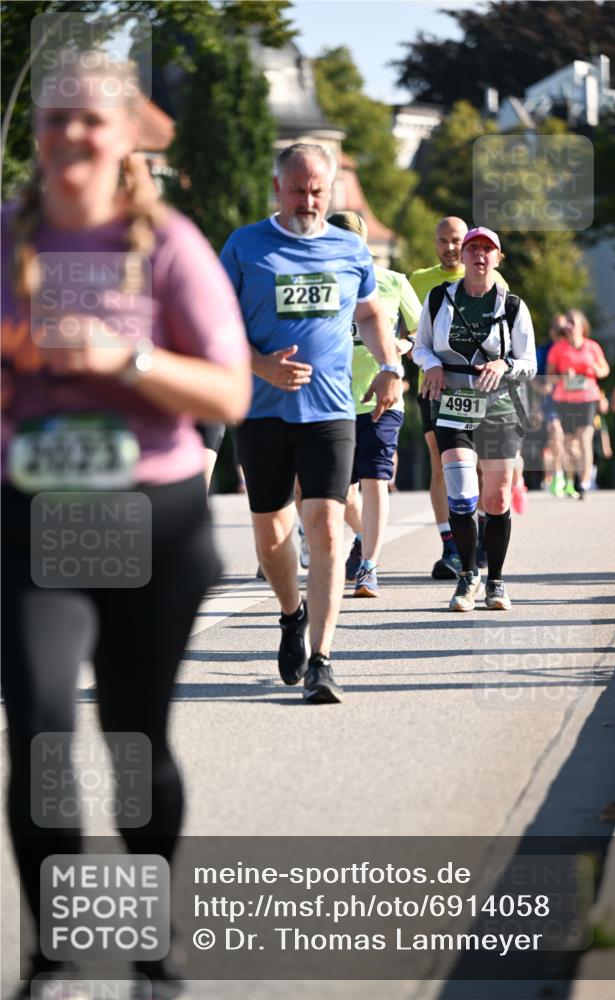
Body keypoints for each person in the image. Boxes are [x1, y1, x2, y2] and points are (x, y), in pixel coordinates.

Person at [1, 53, 251, 1000]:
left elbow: (226, 389)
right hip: (31, 521)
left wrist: (123, 354)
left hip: (153, 516)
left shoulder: (170, 245)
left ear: (123, 137)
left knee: (136, 740)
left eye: (88, 120)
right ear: (37, 133)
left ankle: (150, 949)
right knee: (42, 737)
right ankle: (58, 958)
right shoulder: (4, 241)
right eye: (53, 117)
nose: (69, 134)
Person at [220, 143, 402, 703]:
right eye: (297, 190)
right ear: (277, 189)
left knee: (325, 526)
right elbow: (215, 324)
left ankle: (323, 659)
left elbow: (369, 311)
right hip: (262, 411)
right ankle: (290, 613)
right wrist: (260, 366)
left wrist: (391, 365)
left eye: (318, 191)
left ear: (331, 190)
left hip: (330, 410)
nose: (308, 201)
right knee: (273, 536)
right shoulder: (245, 246)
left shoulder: (351, 248)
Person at [414, 227, 536, 612]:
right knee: (462, 494)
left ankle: (496, 581)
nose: (480, 255)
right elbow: (420, 346)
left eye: (488, 250)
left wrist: (505, 364)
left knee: (497, 497)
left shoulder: (513, 306)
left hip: (499, 409)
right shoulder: (438, 299)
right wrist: (432, 365)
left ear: (498, 259)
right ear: (463, 257)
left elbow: (530, 364)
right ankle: (468, 576)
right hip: (453, 405)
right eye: (473, 249)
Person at [327, 210, 420, 597]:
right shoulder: (322, 284)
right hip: (332, 400)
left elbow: (421, 333)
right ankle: (366, 535)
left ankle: (368, 566)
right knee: (342, 492)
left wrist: (402, 346)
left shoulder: (394, 282)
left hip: (383, 399)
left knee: (375, 481)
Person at [410, 217, 508, 578]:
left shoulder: (494, 282)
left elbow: (507, 337)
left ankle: (480, 532)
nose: (450, 248)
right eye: (443, 241)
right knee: (442, 463)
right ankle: (450, 543)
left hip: (482, 389)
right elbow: (409, 333)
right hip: (436, 388)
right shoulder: (419, 281)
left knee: (480, 465)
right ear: (435, 243)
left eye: (456, 241)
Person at [546, 309, 610, 499]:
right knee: (567, 444)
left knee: (584, 439)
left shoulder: (592, 347)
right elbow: (549, 376)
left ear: (582, 326)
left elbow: (605, 369)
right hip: (564, 400)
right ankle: (569, 480)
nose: (568, 326)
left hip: (587, 398)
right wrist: (563, 376)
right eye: (567, 322)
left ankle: (584, 483)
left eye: (572, 322)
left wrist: (596, 370)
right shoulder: (558, 348)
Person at [535, 314, 567, 495]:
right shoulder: (543, 350)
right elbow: (532, 373)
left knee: (570, 441)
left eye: (562, 327)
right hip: (550, 401)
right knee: (556, 434)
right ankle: (557, 475)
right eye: (556, 327)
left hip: (573, 401)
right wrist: (540, 387)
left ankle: (570, 477)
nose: (560, 331)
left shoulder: (573, 348)